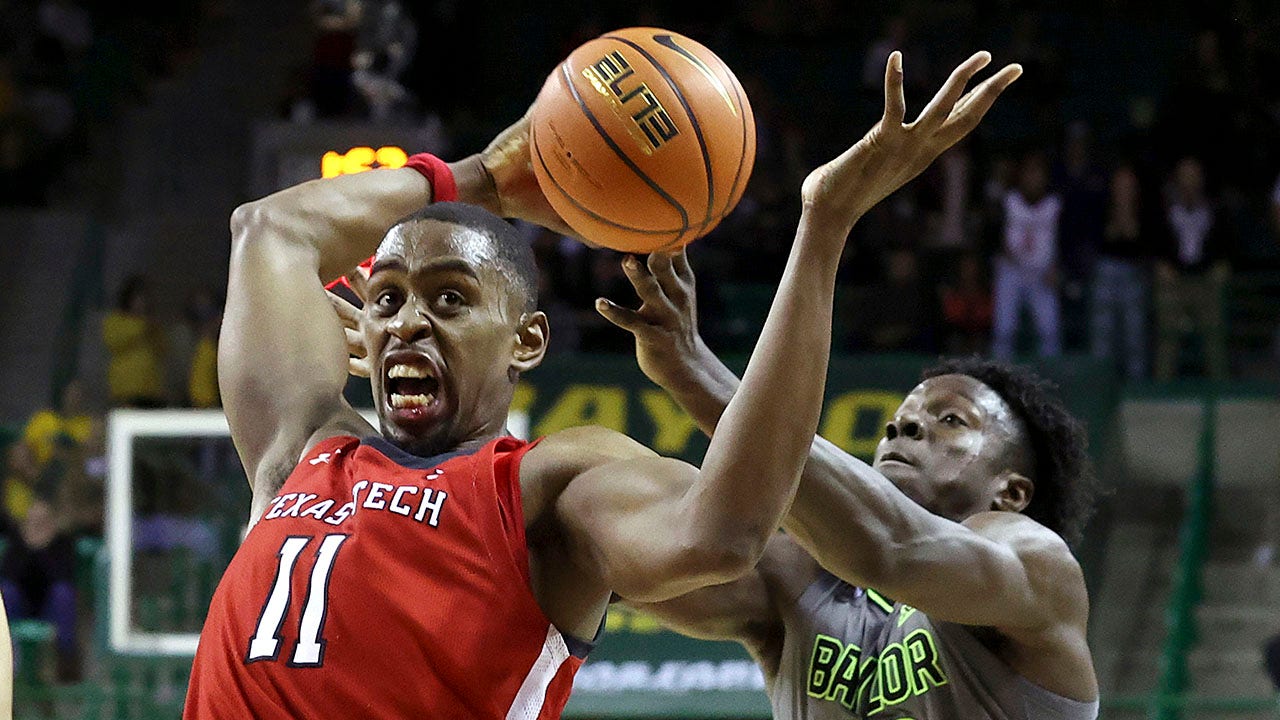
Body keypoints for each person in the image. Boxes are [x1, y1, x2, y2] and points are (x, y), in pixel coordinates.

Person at [184, 48, 1019, 720]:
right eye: (387, 299)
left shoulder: (549, 485)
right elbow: (272, 228)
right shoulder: (302, 451)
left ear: (527, 341)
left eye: (450, 298)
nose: (407, 322)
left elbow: (723, 534)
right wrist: (480, 177)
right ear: (360, 334)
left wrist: (823, 228)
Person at [599, 257, 1099, 718]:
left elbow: (890, 549)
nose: (901, 427)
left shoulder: (1040, 569)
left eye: (951, 420)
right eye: (898, 420)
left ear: (1011, 494)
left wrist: (694, 374)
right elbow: (631, 557)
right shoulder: (799, 578)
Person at [991, 152, 1062, 360]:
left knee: (1049, 331)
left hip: (1043, 274)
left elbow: (1064, 240)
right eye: (1029, 173)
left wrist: (1057, 267)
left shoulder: (1054, 205)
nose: (1033, 178)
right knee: (1004, 330)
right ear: (1021, 175)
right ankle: (999, 373)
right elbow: (991, 234)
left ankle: (1050, 375)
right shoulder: (1008, 201)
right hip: (1011, 271)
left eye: (1038, 173)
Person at [1091, 163, 1154, 380]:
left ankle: (1136, 385)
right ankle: (1101, 383)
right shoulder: (1102, 205)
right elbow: (1098, 239)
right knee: (1102, 334)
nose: (1123, 189)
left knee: (1135, 334)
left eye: (1128, 185)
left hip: (1134, 272)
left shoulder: (1144, 209)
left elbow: (1143, 242)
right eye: (1120, 184)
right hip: (1106, 270)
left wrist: (1127, 225)